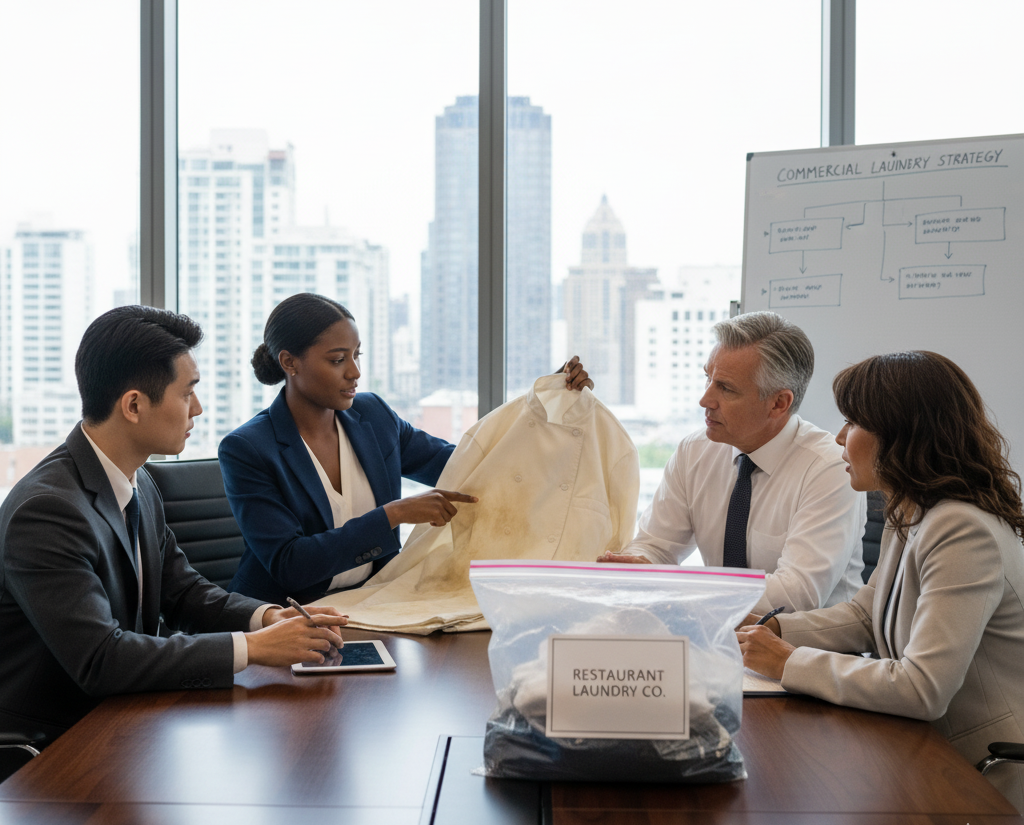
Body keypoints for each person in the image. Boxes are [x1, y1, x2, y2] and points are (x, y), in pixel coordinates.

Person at [0, 306, 347, 750]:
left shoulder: (138, 479)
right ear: (133, 405)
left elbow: (181, 591)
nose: (198, 408)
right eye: (187, 393)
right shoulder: (48, 510)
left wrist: (267, 618)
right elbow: (101, 659)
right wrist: (253, 647)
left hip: (126, 719)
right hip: (53, 745)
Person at [737, 351, 1024, 812]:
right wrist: (775, 629)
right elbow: (866, 616)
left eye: (852, 423)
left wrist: (789, 661)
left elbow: (922, 688)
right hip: (920, 750)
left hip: (978, 773)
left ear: (901, 434)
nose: (838, 438)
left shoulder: (961, 529)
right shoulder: (911, 509)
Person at [220, 292, 593, 606]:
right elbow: (290, 564)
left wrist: (546, 406)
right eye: (337, 360)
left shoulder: (374, 416)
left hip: (370, 607)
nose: (354, 372)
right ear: (289, 362)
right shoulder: (248, 449)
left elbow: (466, 465)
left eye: (356, 355)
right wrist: (392, 515)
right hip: (284, 619)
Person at [598, 310, 865, 615]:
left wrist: (672, 585)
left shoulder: (830, 467)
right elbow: (656, 545)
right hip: (717, 637)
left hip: (807, 651)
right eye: (708, 379)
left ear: (779, 403)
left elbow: (795, 595)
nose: (705, 399)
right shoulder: (695, 451)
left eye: (725, 388)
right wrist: (639, 565)